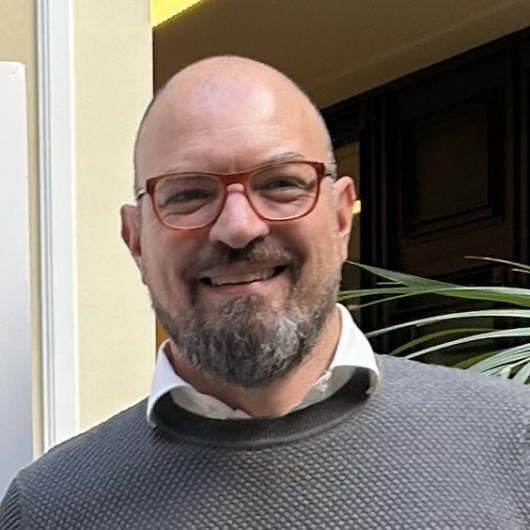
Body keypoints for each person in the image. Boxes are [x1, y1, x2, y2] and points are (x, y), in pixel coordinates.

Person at [1, 56, 528, 529]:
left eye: (280, 184)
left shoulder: (516, 444)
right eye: (188, 193)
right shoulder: (46, 508)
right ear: (136, 241)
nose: (238, 227)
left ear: (340, 218)